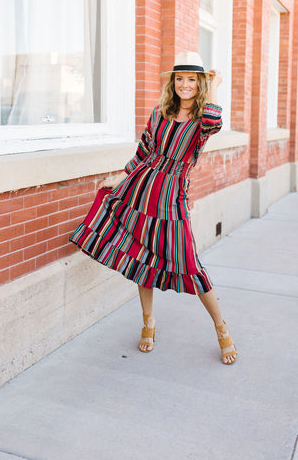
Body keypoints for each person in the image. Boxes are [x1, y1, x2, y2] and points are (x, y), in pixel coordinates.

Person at [70, 51, 237, 365]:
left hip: (172, 198)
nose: (184, 85)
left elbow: (216, 121)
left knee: (190, 263)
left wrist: (216, 85)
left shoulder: (203, 121)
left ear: (200, 83)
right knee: (142, 260)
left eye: (191, 79)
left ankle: (220, 326)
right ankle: (148, 322)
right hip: (140, 193)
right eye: (179, 78)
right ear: (172, 82)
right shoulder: (159, 112)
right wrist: (119, 177)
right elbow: (144, 151)